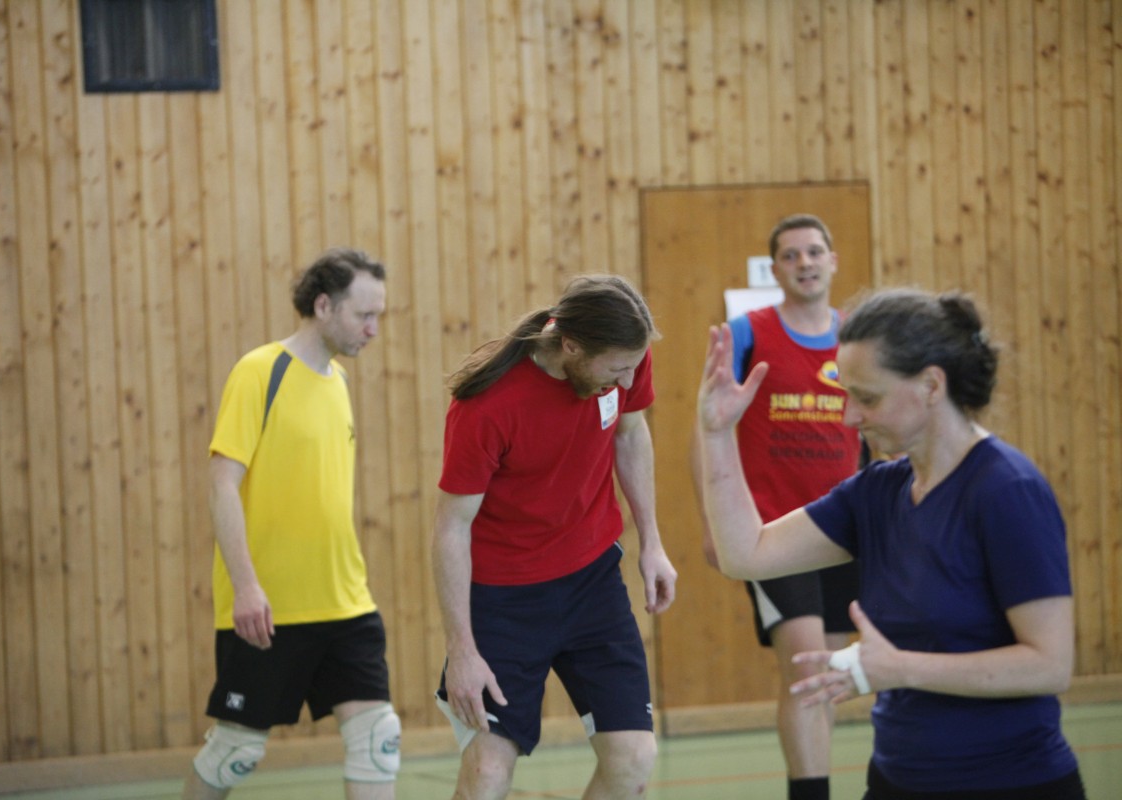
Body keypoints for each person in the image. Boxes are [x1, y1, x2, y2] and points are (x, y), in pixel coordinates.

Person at [696, 287, 1085, 799]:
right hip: (896, 779)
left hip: (1010, 782)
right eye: (847, 395)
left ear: (931, 385)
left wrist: (900, 668)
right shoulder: (876, 492)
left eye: (868, 398)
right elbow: (746, 554)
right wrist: (718, 434)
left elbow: (1049, 665)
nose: (849, 418)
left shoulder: (1006, 490)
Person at [432, 274, 678, 799]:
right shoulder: (487, 405)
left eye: (633, 367)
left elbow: (631, 433)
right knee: (487, 774)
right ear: (570, 346)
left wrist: (652, 542)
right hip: (503, 601)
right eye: (616, 370)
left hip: (592, 584)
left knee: (633, 760)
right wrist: (462, 650)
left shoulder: (624, 357)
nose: (628, 380)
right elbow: (451, 528)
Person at [183, 249, 399, 800]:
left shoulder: (339, 382)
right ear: (323, 306)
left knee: (377, 739)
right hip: (269, 608)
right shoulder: (261, 371)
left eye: (378, 316)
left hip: (346, 604)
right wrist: (246, 587)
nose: (373, 330)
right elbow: (222, 484)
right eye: (363, 315)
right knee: (234, 752)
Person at [690, 214, 862, 800]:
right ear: (775, 269)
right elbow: (705, 430)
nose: (804, 263)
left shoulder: (857, 337)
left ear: (832, 260)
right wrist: (714, 523)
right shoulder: (748, 334)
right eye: (791, 255)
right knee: (806, 669)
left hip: (842, 528)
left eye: (814, 251)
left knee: (829, 676)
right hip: (773, 533)